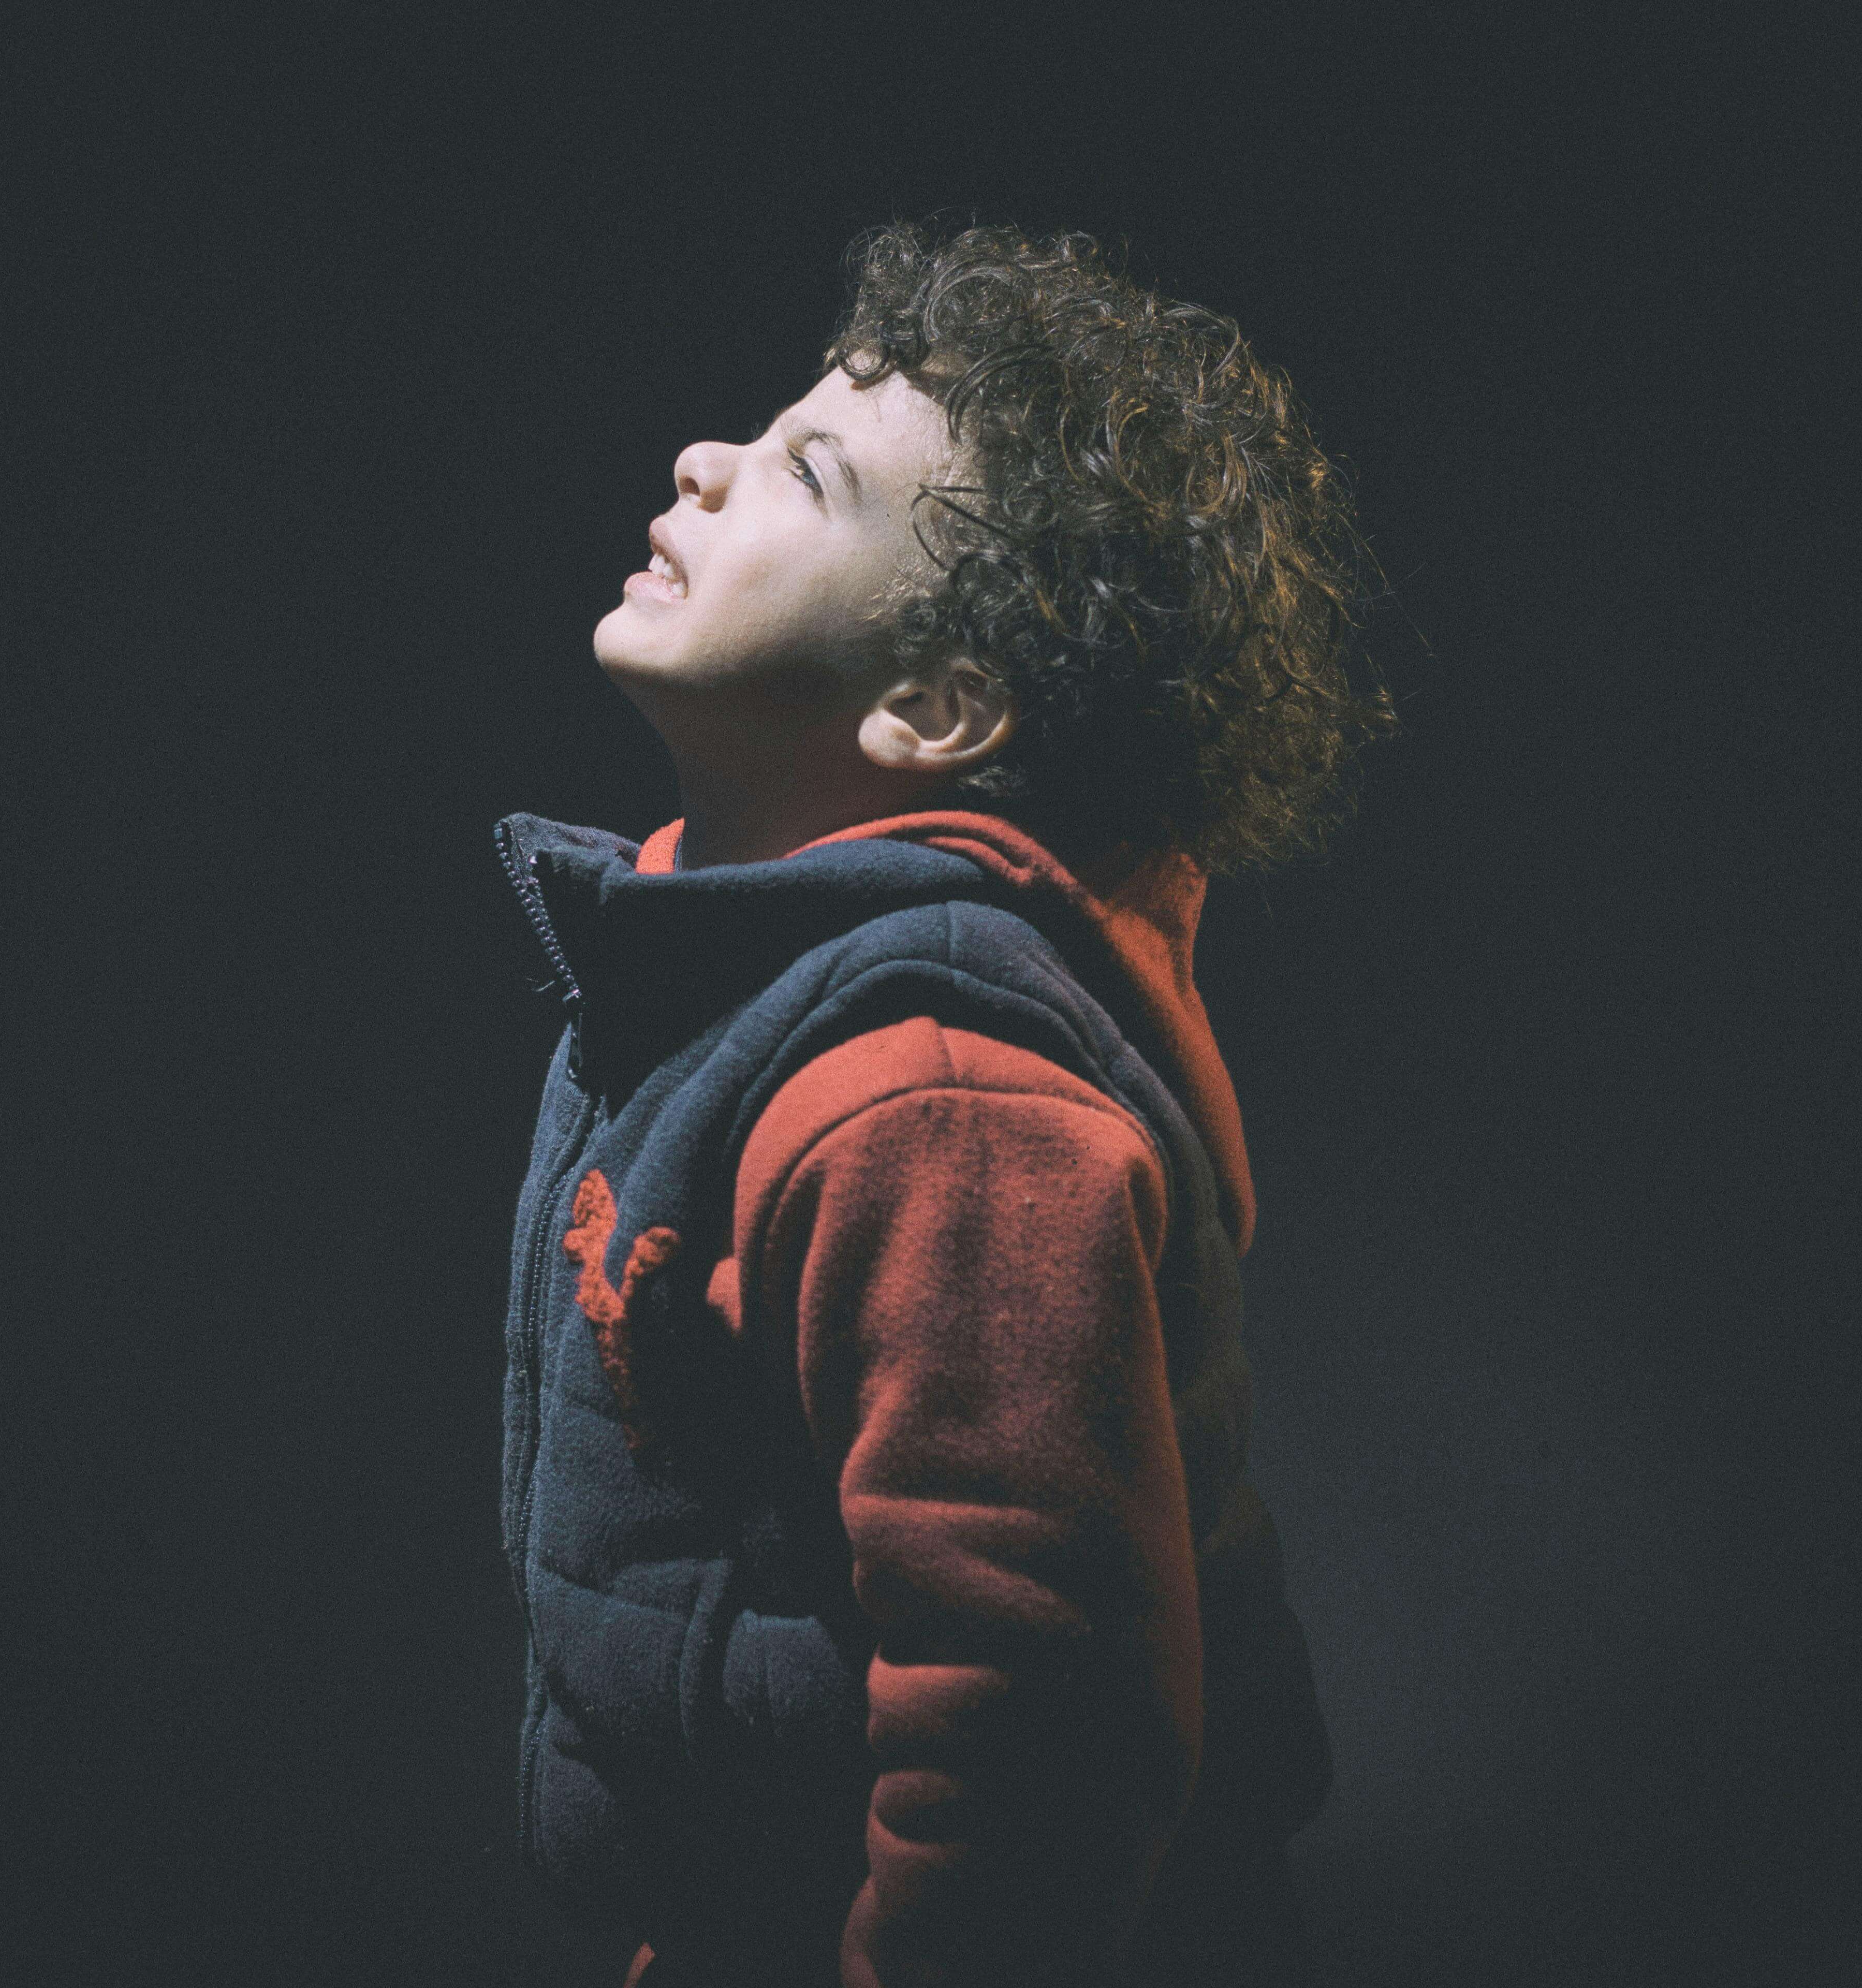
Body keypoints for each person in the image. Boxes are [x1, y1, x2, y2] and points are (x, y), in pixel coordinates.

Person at [495, 222, 1388, 1988]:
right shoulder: (723, 984)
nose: (705, 458)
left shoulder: (940, 1106)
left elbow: (1042, 1751)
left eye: (805, 474)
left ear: (934, 707)